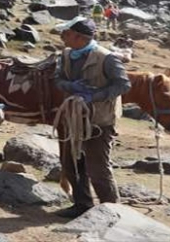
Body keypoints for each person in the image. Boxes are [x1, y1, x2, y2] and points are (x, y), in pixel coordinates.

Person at [52, 16, 131, 219]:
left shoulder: (107, 58)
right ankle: (82, 205)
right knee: (70, 163)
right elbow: (58, 79)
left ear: (79, 37)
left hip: (100, 121)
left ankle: (113, 212)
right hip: (74, 118)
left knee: (97, 168)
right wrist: (71, 87)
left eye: (66, 34)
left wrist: (94, 96)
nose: (63, 37)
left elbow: (123, 85)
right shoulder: (67, 54)